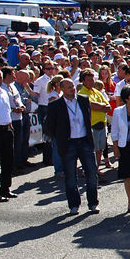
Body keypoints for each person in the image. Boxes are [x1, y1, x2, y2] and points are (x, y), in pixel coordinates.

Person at [44, 78, 99, 214]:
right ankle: (74, 205)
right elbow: (50, 125)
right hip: (68, 143)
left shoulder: (83, 100)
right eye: (68, 87)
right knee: (70, 177)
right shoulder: (55, 105)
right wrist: (60, 138)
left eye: (73, 86)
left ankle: (93, 203)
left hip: (84, 141)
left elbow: (88, 118)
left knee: (92, 174)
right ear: (62, 89)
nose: (72, 89)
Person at [77, 69, 111, 179]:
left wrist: (100, 106)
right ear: (83, 81)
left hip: (102, 124)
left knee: (100, 149)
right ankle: (87, 170)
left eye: (92, 80)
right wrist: (101, 106)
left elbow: (108, 106)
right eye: (88, 80)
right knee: (91, 150)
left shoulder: (96, 92)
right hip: (91, 125)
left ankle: (95, 169)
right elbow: (91, 106)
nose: (91, 82)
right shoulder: (81, 93)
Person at [0, 69, 15, 202]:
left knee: (8, 160)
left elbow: (7, 109)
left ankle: (5, 188)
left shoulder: (4, 92)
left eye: (0, 77)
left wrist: (10, 124)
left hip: (6, 128)